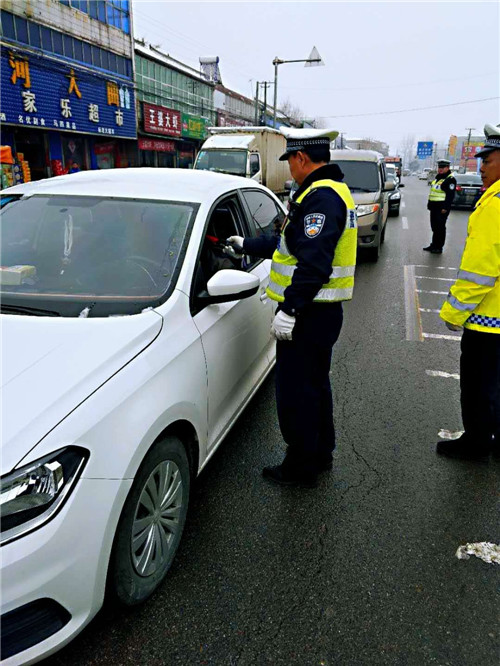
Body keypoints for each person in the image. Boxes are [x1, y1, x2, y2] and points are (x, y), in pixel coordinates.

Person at [225, 128, 357, 487]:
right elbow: (289, 243)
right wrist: (246, 244)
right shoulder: (328, 192)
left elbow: (314, 265)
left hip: (309, 314)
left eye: (290, 161)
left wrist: (290, 310)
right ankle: (320, 453)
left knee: (297, 393)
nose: (289, 169)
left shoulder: (322, 198)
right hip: (320, 313)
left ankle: (300, 468)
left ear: (301, 158)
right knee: (315, 387)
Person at [437, 123, 500, 460]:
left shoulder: (494, 206)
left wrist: (454, 312)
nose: (482, 166)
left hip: (488, 321)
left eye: (487, 160)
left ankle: (476, 443)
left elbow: (480, 272)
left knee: (478, 385)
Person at [423, 159, 457, 254]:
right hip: (434, 207)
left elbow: (450, 196)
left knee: (440, 227)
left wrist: (445, 208)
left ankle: (439, 247)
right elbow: (433, 192)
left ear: (447, 168)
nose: (440, 169)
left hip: (442, 208)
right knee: (434, 227)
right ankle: (434, 245)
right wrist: (429, 204)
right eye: (439, 167)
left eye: (443, 167)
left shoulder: (450, 179)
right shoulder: (438, 178)